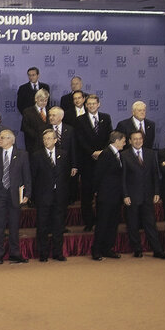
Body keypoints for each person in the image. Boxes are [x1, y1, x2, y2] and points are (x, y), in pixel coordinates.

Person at [121, 131, 165, 259]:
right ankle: (137, 249)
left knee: (150, 224)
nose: (137, 141)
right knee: (133, 224)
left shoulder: (151, 153)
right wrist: (125, 195)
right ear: (130, 141)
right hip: (132, 196)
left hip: (148, 195)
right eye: (134, 139)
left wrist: (157, 192)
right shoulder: (124, 155)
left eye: (140, 139)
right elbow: (123, 178)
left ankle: (157, 250)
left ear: (143, 140)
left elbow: (155, 174)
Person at [0, 129, 31, 264]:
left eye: (2, 138)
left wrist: (27, 194)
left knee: (14, 226)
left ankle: (15, 253)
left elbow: (27, 176)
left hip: (15, 195)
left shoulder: (22, 155)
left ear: (11, 140)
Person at [31, 129, 71, 262]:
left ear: (55, 140)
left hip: (59, 196)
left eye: (49, 138)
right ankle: (43, 253)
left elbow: (66, 177)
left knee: (58, 226)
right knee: (42, 226)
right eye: (44, 139)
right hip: (43, 196)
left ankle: (58, 252)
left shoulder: (63, 154)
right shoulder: (37, 155)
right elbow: (34, 177)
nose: (46, 141)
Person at [74, 94, 113, 231]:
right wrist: (92, 152)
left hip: (103, 162)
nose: (91, 106)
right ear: (85, 105)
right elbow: (80, 140)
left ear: (98, 104)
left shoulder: (106, 118)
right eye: (88, 104)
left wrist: (102, 152)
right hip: (87, 162)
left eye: (93, 103)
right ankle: (89, 222)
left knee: (103, 193)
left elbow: (110, 137)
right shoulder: (80, 120)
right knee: (87, 195)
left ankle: (103, 221)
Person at [91, 131, 126, 260]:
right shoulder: (106, 154)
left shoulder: (119, 155)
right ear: (116, 141)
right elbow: (98, 174)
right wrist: (97, 192)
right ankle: (96, 250)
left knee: (113, 223)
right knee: (103, 223)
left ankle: (107, 248)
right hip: (106, 196)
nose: (125, 143)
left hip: (116, 196)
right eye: (123, 140)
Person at [47, 106, 79, 201]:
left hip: (65, 165)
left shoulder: (69, 130)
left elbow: (73, 148)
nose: (51, 117)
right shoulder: (44, 129)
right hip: (49, 165)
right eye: (50, 115)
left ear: (61, 117)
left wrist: (74, 165)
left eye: (54, 115)